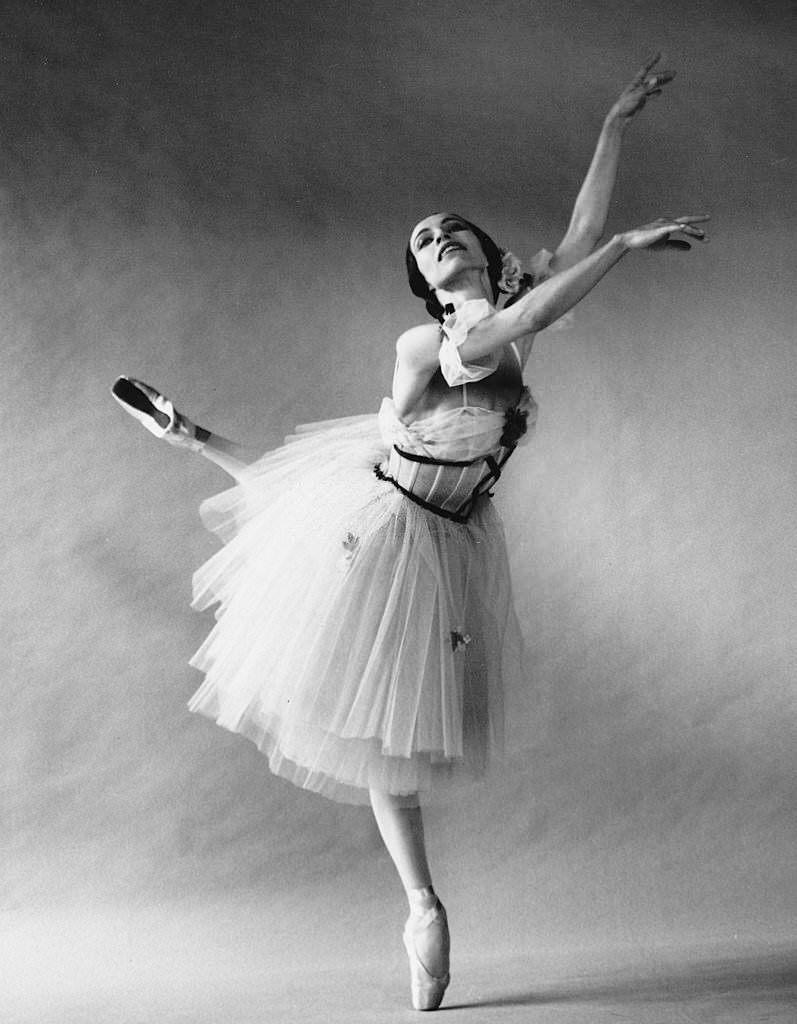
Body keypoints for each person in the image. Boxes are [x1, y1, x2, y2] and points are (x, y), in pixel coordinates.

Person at [113, 55, 707, 1012]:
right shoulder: (432, 345)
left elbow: (574, 241)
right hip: (393, 526)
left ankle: (185, 433)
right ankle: (421, 905)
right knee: (371, 716)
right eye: (420, 242)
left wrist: (614, 122)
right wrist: (630, 248)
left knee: (387, 697)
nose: (435, 240)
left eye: (447, 230)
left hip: (452, 527)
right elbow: (557, 296)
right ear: (423, 283)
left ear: (478, 248)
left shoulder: (507, 308)